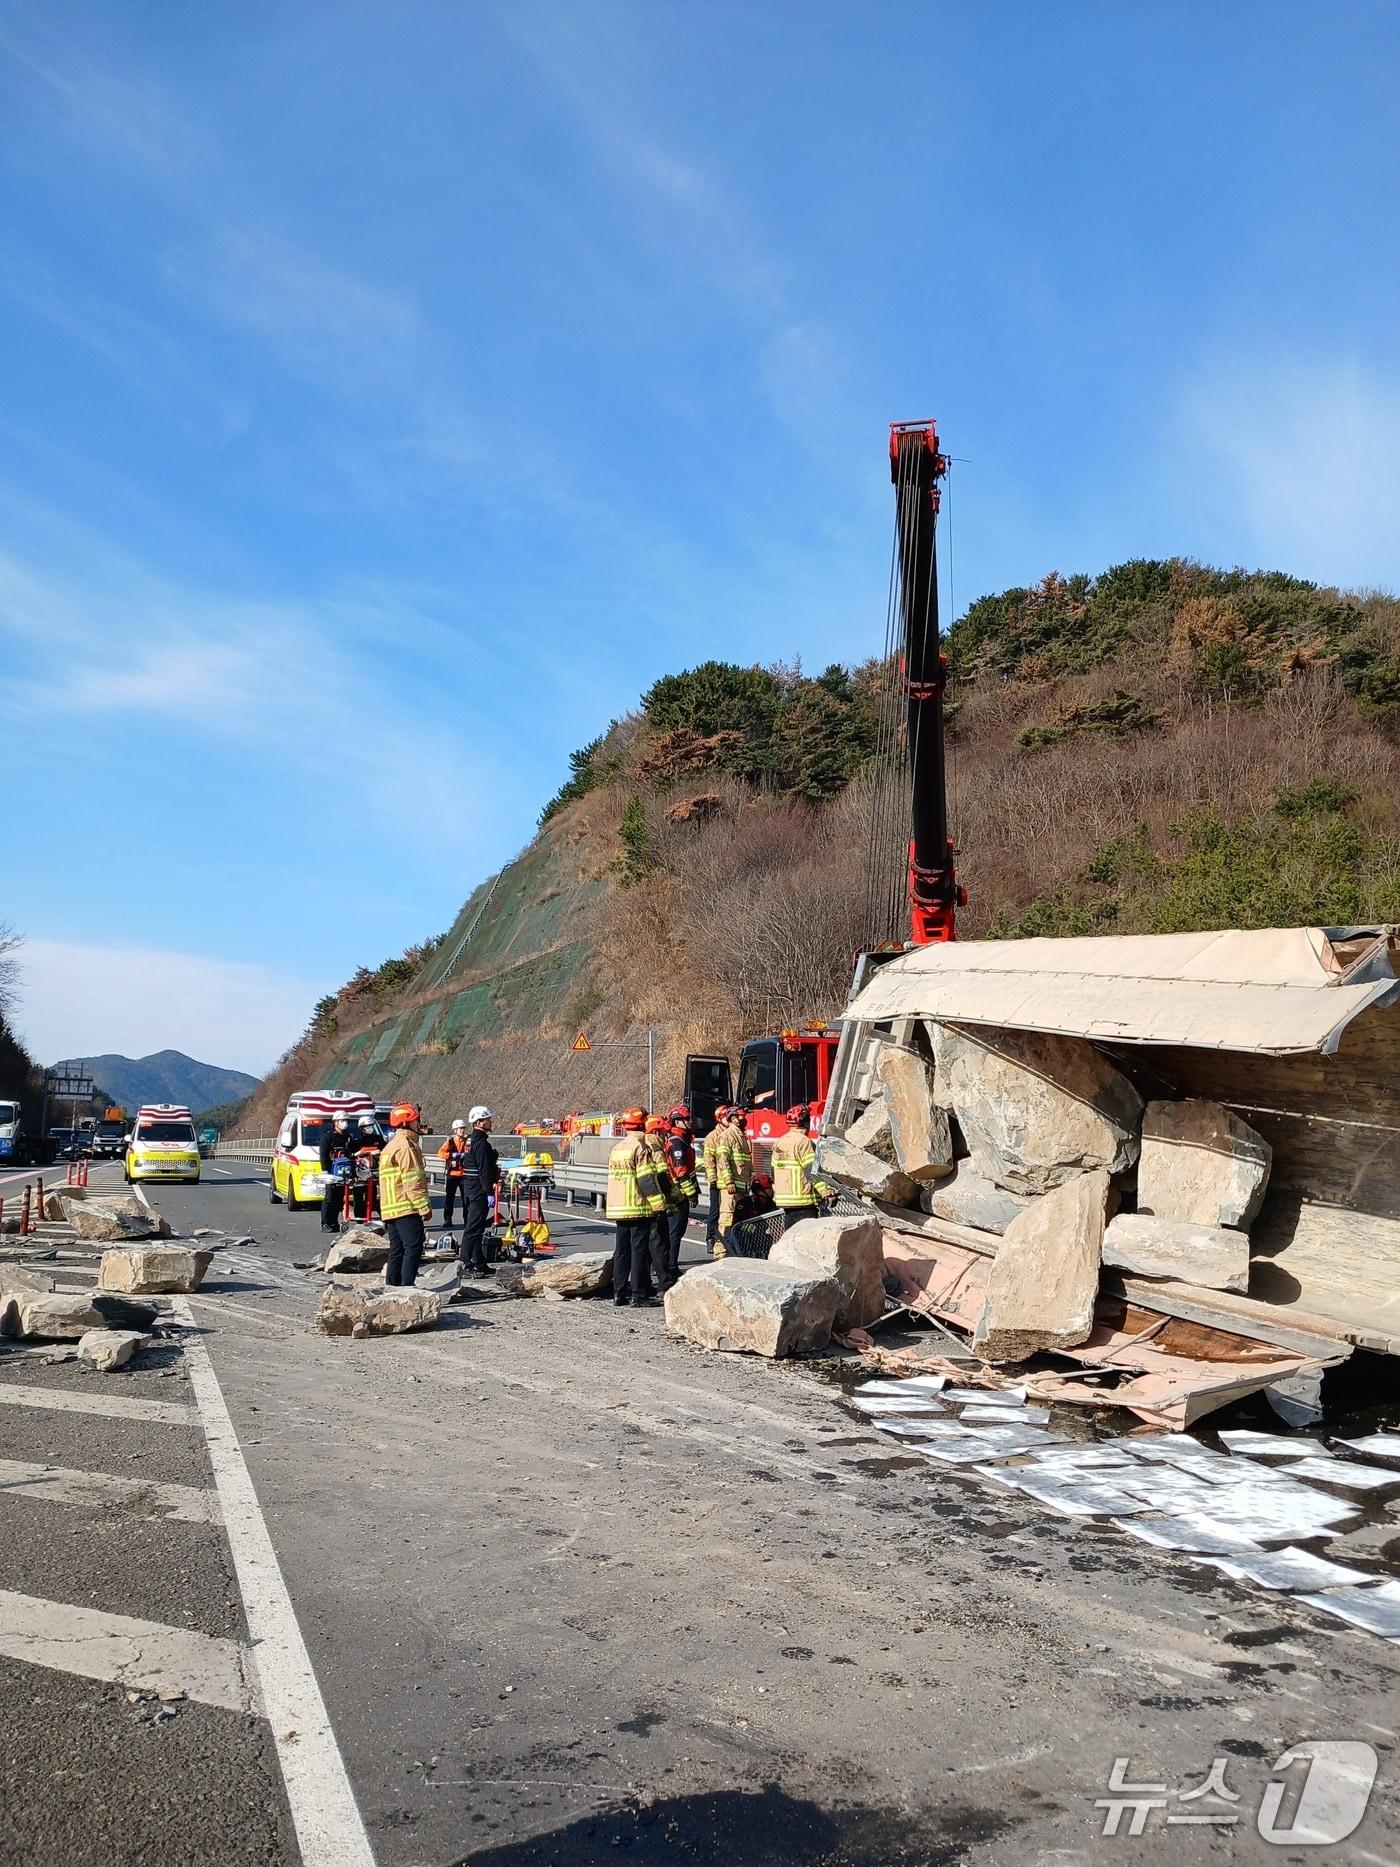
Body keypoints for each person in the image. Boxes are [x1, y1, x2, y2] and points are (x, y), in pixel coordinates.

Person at [606, 1107, 667, 1306]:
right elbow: (646, 1180)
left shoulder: (618, 1148)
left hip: (618, 1207)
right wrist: (658, 1204)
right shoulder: (641, 1147)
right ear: (642, 1124)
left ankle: (619, 1292)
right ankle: (638, 1294)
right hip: (636, 1206)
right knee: (638, 1250)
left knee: (621, 1251)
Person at [378, 1103, 431, 1286]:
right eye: (415, 1120)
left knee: (396, 1250)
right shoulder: (406, 1147)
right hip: (406, 1208)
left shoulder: (390, 1146)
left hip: (390, 1209)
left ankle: (392, 1287)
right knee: (413, 1248)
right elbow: (412, 1180)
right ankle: (407, 1288)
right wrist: (423, 1207)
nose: (418, 1124)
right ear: (406, 1122)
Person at [458, 1105, 500, 1278]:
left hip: (470, 1188)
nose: (491, 1121)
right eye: (488, 1119)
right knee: (473, 1228)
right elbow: (483, 1170)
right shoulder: (481, 1143)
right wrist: (489, 1192)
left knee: (476, 1227)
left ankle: (479, 1262)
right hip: (478, 1191)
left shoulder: (470, 1141)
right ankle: (465, 1264)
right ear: (480, 1122)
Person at [770, 1104, 827, 1225]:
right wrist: (825, 1191)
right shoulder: (804, 1141)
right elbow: (811, 1170)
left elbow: (773, 1171)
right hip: (804, 1201)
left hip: (786, 1202)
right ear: (805, 1123)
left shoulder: (780, 1142)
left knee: (791, 1238)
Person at [663, 1105, 699, 1282]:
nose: (689, 1122)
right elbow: (681, 1171)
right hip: (678, 1194)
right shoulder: (677, 1142)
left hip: (677, 1192)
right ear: (677, 1121)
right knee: (674, 1233)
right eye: (686, 1119)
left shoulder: (681, 1140)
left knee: (674, 1232)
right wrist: (691, 1194)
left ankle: (669, 1264)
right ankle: (670, 1267)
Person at [712, 1105, 753, 1258]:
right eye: (741, 1116)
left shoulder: (742, 1136)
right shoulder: (727, 1136)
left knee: (738, 1221)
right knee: (726, 1220)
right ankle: (720, 1254)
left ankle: (734, 1251)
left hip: (741, 1188)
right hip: (731, 1188)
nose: (744, 1119)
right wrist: (729, 1181)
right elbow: (722, 1160)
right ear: (733, 1118)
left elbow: (747, 1163)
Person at [642, 1116, 676, 1294]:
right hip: (656, 1204)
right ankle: (665, 1282)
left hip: (641, 1204)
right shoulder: (656, 1148)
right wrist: (673, 1196)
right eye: (664, 1132)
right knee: (660, 1244)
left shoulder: (640, 1144)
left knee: (644, 1246)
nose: (666, 1135)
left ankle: (645, 1284)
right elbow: (662, 1177)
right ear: (656, 1132)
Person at [318, 1111, 357, 1233]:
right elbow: (323, 1155)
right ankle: (326, 1223)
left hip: (344, 1172)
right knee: (329, 1198)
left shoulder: (348, 1137)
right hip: (331, 1172)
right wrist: (325, 1170)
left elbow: (352, 1153)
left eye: (346, 1120)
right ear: (335, 1122)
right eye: (341, 1120)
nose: (344, 1123)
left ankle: (334, 1223)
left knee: (339, 1198)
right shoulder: (328, 1137)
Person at [701, 1106, 728, 1249]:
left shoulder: (733, 1134)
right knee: (715, 1210)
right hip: (717, 1180)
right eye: (726, 1117)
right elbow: (708, 1160)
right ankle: (711, 1237)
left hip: (730, 1180)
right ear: (719, 1119)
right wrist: (712, 1179)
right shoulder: (712, 1137)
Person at [438, 1118, 471, 1234]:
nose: (462, 1130)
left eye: (463, 1128)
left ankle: (467, 1220)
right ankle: (447, 1220)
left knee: (466, 1199)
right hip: (452, 1174)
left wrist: (465, 1155)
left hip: (464, 1174)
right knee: (449, 1199)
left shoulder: (468, 1141)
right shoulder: (450, 1142)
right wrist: (450, 1155)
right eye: (460, 1128)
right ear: (455, 1130)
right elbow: (440, 1153)